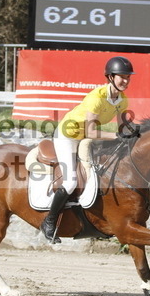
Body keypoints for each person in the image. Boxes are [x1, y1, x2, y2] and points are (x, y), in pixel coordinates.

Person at [40, 56, 136, 243]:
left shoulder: (123, 100)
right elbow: (92, 131)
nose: (126, 81)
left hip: (85, 138)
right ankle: (49, 222)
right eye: (122, 77)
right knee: (70, 182)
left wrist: (134, 133)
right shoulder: (96, 98)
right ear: (110, 77)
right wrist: (117, 136)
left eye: (128, 77)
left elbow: (122, 128)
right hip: (68, 136)